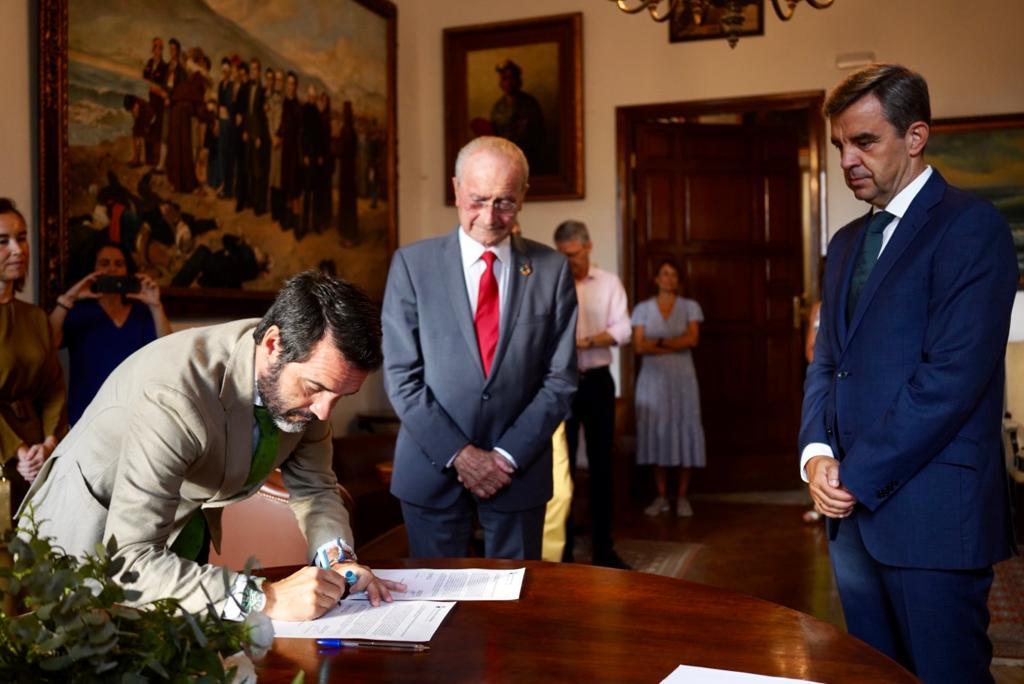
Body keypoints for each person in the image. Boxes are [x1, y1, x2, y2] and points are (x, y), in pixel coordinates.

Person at [799, 64, 1017, 683]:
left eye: (864, 141)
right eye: (840, 143)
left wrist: (855, 474)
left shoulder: (972, 228)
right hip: (850, 518)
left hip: (933, 516)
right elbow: (827, 361)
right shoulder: (845, 243)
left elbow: (950, 379)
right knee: (874, 674)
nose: (848, 159)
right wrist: (816, 455)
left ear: (915, 136)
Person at [21, 271, 404, 620]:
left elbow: (316, 489)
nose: (324, 412)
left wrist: (337, 560)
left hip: (177, 536)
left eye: (340, 396)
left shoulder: (306, 379)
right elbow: (130, 562)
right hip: (82, 541)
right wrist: (266, 598)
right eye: (315, 388)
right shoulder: (176, 394)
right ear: (273, 344)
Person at [382, 136, 577, 560]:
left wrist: (505, 456)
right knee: (435, 597)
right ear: (456, 190)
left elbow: (560, 378)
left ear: (523, 195)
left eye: (504, 202)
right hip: (431, 470)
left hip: (518, 472)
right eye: (478, 200)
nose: (489, 217)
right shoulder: (413, 266)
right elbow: (401, 376)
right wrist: (460, 455)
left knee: (517, 597)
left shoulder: (552, 270)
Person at [554, 220, 632, 569]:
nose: (570, 261)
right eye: (563, 255)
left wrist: (584, 342)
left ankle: (603, 549)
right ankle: (564, 552)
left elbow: (623, 330)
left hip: (598, 381)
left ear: (588, 247)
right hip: (562, 382)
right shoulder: (553, 282)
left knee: (602, 465)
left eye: (574, 254)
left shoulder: (609, 283)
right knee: (562, 469)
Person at [49, 241, 171, 425]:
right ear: (92, 269)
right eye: (104, 263)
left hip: (135, 411)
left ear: (127, 270)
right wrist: (68, 298)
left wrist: (156, 306)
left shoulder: (142, 312)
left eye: (119, 264)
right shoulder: (79, 312)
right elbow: (48, 344)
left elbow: (167, 350)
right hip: (87, 413)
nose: (112, 269)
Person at [0, 198, 67, 513]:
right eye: (3, 241)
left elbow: (53, 388)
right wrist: (18, 451)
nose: (18, 249)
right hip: (8, 452)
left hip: (38, 457)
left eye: (22, 237)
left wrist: (49, 443)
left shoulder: (36, 317)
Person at [632, 258, 705, 518]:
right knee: (657, 431)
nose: (668, 279)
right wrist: (674, 342)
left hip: (682, 378)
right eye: (664, 274)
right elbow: (639, 345)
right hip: (652, 378)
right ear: (656, 278)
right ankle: (661, 495)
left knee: (684, 428)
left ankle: (682, 496)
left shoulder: (690, 307)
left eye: (673, 274)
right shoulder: (642, 309)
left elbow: (692, 339)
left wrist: (658, 342)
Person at [490, 60, 547, 174]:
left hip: (528, 159)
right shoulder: (497, 107)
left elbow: (539, 134)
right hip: (505, 162)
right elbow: (494, 134)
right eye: (505, 79)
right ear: (501, 82)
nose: (509, 82)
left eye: (512, 78)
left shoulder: (530, 103)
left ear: (519, 80)